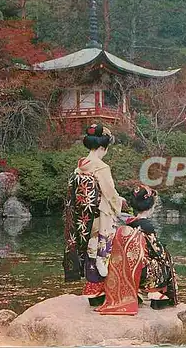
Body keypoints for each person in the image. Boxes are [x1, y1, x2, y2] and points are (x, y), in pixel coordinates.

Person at [63, 123, 126, 306]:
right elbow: (109, 192)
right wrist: (119, 204)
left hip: (84, 217)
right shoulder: (101, 167)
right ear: (102, 147)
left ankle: (91, 292)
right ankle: (103, 291)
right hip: (101, 215)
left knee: (90, 249)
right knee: (101, 252)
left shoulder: (80, 165)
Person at [94, 185, 178, 315]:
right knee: (164, 258)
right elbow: (157, 252)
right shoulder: (147, 226)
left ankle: (137, 292)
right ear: (151, 207)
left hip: (124, 270)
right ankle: (155, 294)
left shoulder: (126, 222)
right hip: (142, 272)